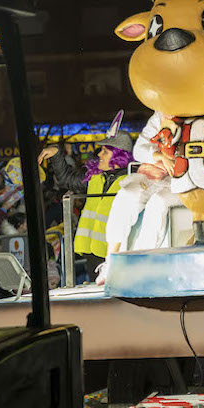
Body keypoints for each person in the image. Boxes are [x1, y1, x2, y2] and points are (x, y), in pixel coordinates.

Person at [38, 111, 134, 283]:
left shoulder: (132, 180)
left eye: (105, 151)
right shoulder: (94, 176)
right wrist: (57, 155)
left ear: (119, 156)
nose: (99, 155)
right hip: (93, 251)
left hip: (119, 251)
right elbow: (67, 180)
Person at [95, 111, 182, 285]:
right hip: (151, 176)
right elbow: (139, 150)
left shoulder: (195, 115)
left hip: (181, 182)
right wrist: (160, 156)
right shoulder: (159, 117)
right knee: (126, 196)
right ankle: (111, 261)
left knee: (158, 203)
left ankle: (142, 262)